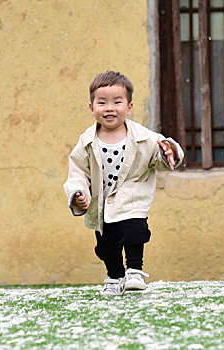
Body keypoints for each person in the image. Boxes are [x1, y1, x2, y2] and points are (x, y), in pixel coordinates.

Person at [63, 71, 184, 296]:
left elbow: (160, 158)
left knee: (135, 231)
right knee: (106, 246)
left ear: (129, 107)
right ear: (91, 108)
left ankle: (135, 271)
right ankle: (115, 276)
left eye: (117, 102)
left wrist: (169, 150)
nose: (110, 108)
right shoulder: (86, 142)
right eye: (102, 102)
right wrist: (78, 192)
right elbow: (77, 171)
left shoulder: (145, 137)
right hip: (102, 202)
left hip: (131, 198)